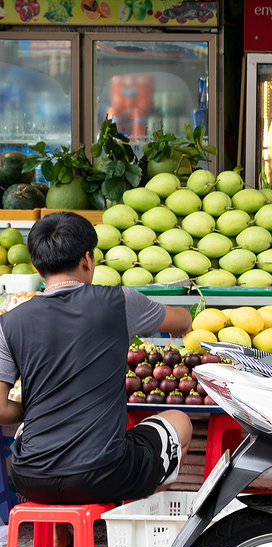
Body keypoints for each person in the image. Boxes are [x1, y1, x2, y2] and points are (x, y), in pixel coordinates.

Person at [0, 212, 193, 508]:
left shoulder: (9, 322)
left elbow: (1, 409)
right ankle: (138, 523)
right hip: (104, 473)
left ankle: (56, 536)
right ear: (87, 260)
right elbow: (180, 322)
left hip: (30, 476)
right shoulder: (120, 302)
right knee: (179, 421)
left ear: (38, 270)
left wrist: (45, 404)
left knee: (31, 433)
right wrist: (187, 316)